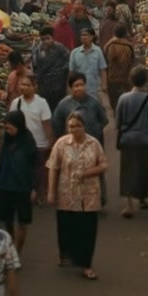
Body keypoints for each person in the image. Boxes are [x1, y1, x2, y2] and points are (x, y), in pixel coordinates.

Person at [47, 112, 107, 279]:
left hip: (89, 196)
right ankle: (66, 254)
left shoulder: (93, 144)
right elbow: (53, 167)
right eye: (71, 126)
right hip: (67, 194)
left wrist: (88, 172)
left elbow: (103, 165)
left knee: (87, 230)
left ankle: (86, 265)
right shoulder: (61, 144)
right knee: (67, 227)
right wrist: (51, 192)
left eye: (78, 126)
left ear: (84, 126)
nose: (74, 129)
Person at [117, 66, 148, 218]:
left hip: (127, 139)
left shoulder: (123, 99)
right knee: (144, 169)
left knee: (127, 170)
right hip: (145, 140)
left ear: (131, 80)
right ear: (146, 81)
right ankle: (142, 199)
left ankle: (129, 205)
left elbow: (118, 122)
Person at [0, 111, 38, 254]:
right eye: (6, 128)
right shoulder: (6, 139)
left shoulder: (28, 141)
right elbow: (2, 160)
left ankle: (16, 252)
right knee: (7, 219)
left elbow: (35, 166)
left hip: (22, 187)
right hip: (5, 185)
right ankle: (10, 243)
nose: (7, 130)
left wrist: (34, 188)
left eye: (10, 127)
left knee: (22, 221)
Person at [10, 74, 54, 204]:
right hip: (22, 144)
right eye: (22, 84)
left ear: (35, 87)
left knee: (40, 171)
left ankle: (41, 194)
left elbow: (46, 124)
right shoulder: (16, 103)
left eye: (27, 85)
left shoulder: (41, 103)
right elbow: (11, 123)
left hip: (39, 143)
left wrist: (50, 142)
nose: (23, 87)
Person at [52, 72, 108, 144]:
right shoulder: (63, 105)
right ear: (71, 88)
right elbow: (57, 126)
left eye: (82, 85)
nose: (80, 88)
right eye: (76, 86)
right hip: (72, 145)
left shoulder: (95, 102)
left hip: (93, 144)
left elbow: (104, 121)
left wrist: (94, 130)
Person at [31, 27, 70, 111]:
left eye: (48, 38)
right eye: (43, 39)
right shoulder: (38, 50)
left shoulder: (60, 48)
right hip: (44, 86)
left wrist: (60, 71)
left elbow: (69, 62)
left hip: (58, 85)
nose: (45, 41)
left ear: (52, 38)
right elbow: (36, 66)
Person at [69, 28, 108, 101]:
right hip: (79, 88)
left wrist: (104, 85)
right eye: (82, 35)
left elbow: (102, 69)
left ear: (92, 37)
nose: (84, 37)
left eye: (86, 35)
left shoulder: (98, 51)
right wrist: (70, 87)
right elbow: (71, 71)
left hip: (95, 88)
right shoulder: (74, 53)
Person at [104, 24, 136, 110]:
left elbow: (106, 61)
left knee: (115, 102)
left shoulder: (110, 45)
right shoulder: (128, 46)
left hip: (112, 78)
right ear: (124, 34)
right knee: (126, 102)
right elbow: (132, 62)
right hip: (126, 78)